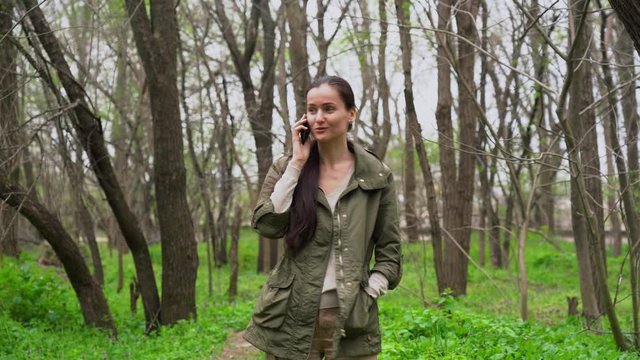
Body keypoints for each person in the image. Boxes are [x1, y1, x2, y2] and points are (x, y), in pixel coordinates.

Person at [243, 75, 402, 360]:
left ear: (351, 114)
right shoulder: (287, 167)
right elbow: (267, 225)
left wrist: (369, 292)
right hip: (290, 317)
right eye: (312, 109)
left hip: (351, 320)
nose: (319, 117)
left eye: (329, 109)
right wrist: (297, 163)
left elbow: (390, 252)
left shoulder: (376, 175)